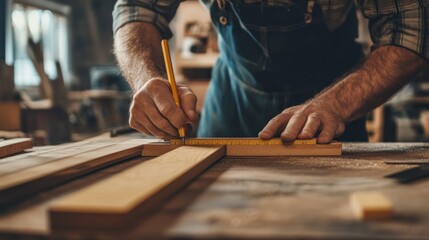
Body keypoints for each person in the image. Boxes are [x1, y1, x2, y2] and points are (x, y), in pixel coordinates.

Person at [113, 0, 428, 143]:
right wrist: (147, 78)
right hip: (233, 100)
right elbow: (138, 9)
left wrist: (336, 104)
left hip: (336, 100)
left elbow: (410, 27)